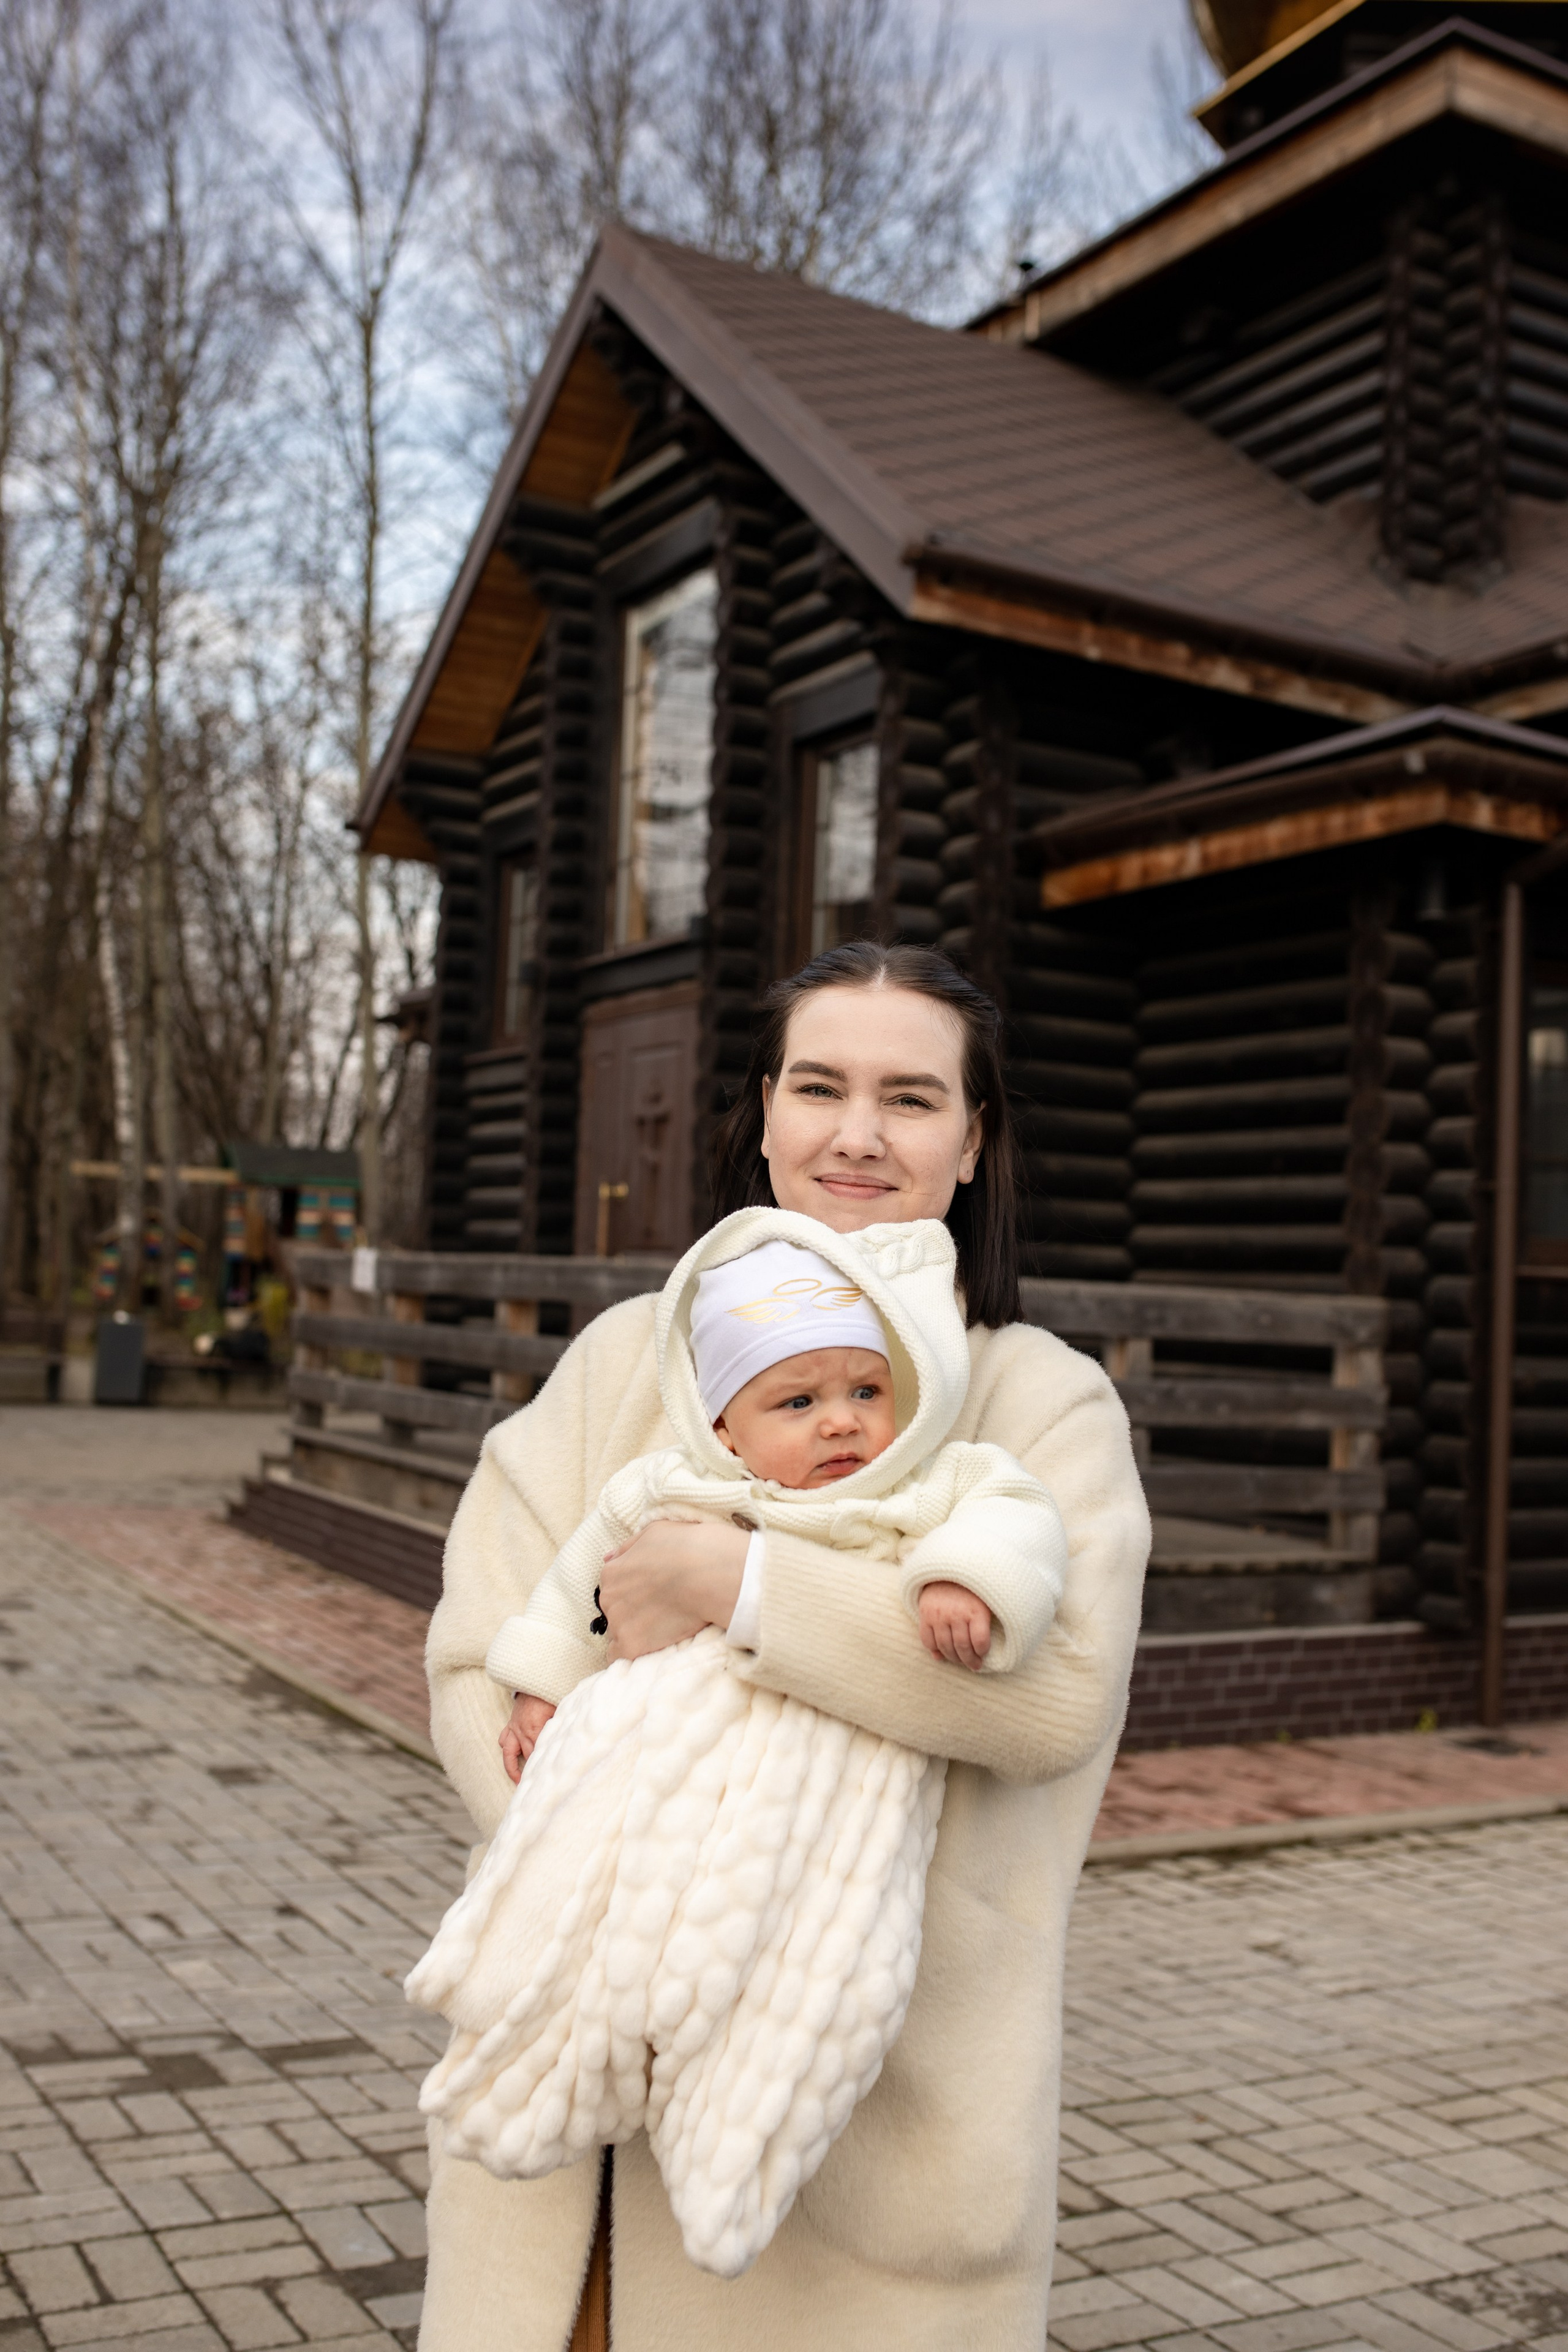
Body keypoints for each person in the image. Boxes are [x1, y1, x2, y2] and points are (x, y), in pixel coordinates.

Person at [420, 941, 1151, 2352]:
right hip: (566, 2149)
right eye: (818, 1087)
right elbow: (476, 1657)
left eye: (909, 1098)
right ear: (762, 1114)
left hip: (865, 2156)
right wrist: (648, 1892)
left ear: (972, 1141)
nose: (856, 1133)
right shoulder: (622, 1359)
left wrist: (737, 1584)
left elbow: (1052, 1700)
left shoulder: (1036, 1399)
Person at [406, 1213, 1068, 2279]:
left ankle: (735, 2156)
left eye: (867, 1391)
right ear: (724, 1428)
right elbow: (573, 1585)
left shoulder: (920, 1482)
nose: (843, 1422)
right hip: (657, 1776)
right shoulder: (669, 1488)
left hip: (829, 1799)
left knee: (810, 1979)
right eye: (797, 1403)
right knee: (596, 1964)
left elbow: (1013, 1515)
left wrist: (965, 1578)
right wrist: (539, 1688)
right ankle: (547, 2072)